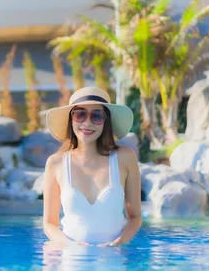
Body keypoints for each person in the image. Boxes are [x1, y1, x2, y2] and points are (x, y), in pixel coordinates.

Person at [42, 86, 142, 247]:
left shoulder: (125, 158)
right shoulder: (56, 163)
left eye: (96, 116)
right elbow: (49, 224)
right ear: (71, 118)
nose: (87, 123)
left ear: (105, 121)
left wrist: (119, 243)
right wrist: (69, 245)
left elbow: (135, 217)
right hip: (71, 259)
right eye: (80, 114)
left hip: (112, 259)